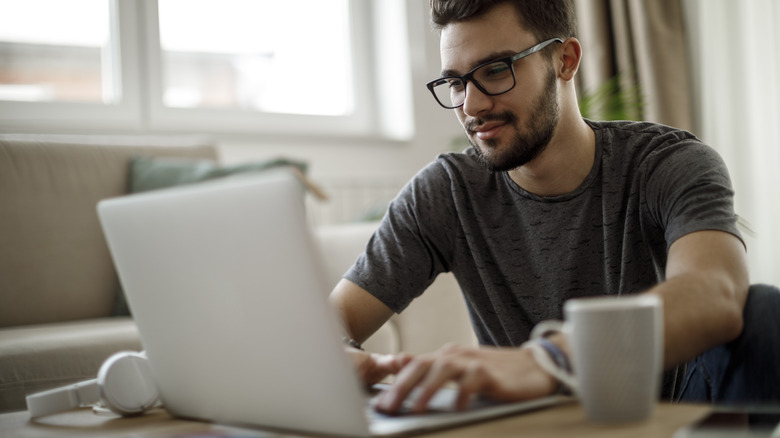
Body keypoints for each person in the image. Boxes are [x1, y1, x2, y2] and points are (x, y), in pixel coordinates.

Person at [329, 0, 780, 414]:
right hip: (530, 424)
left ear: (565, 60)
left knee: (763, 314)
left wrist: (549, 360)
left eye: (495, 70)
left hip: (659, 417)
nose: (472, 105)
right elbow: (331, 320)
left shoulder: (666, 163)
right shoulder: (446, 192)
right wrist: (337, 355)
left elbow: (715, 291)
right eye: (455, 81)